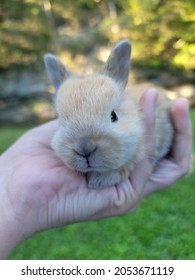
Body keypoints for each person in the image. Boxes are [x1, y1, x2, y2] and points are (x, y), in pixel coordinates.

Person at [0, 89, 192, 259]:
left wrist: (124, 166)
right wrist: (9, 197)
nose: (85, 149)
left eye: (113, 117)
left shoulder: (135, 113)